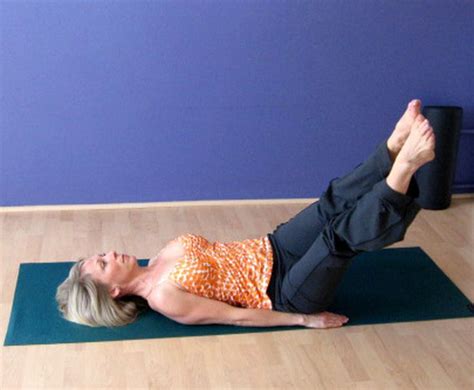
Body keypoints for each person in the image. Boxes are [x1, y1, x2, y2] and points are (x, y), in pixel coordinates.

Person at [56, 99, 435, 330]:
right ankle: (403, 170)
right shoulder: (163, 298)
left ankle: (391, 148)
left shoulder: (157, 259)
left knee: (328, 205)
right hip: (283, 293)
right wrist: (304, 319)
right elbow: (236, 317)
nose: (109, 254)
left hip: (272, 249)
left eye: (101, 255)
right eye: (104, 264)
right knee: (335, 240)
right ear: (116, 291)